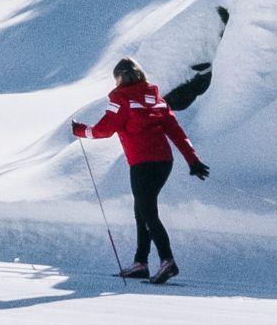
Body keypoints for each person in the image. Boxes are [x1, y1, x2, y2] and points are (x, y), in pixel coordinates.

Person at [69, 56, 208, 281]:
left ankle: (167, 261)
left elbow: (104, 130)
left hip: (142, 164)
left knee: (148, 213)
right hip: (164, 162)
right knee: (141, 211)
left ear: (122, 78)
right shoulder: (155, 98)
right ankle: (140, 263)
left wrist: (81, 131)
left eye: (116, 79)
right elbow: (175, 131)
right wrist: (193, 160)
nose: (116, 83)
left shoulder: (122, 98)